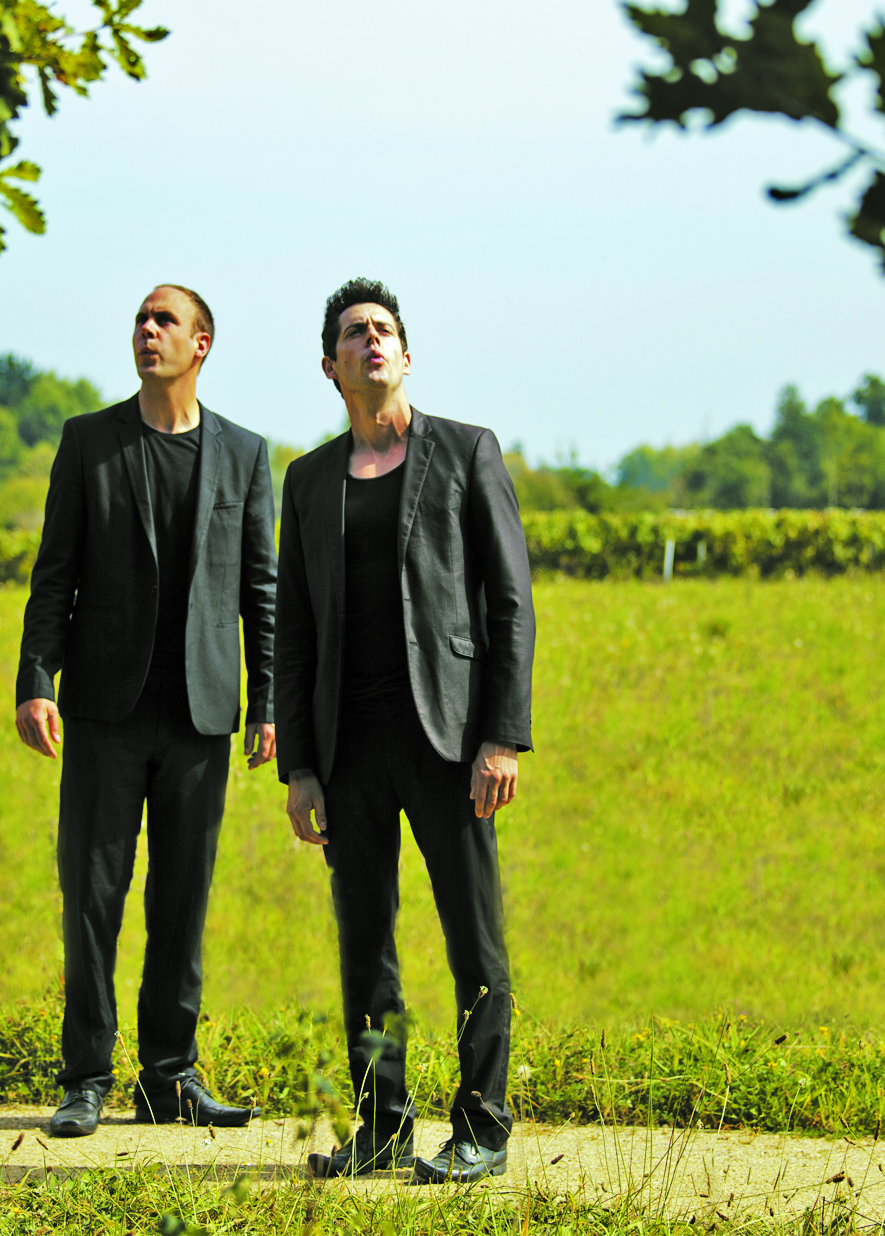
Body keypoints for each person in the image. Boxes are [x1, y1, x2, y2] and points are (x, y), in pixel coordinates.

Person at [274, 277, 535, 1183]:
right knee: (366, 946)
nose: (371, 340)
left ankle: (483, 1127)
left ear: (407, 355)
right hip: (347, 748)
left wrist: (502, 736)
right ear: (331, 366)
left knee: (474, 940)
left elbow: (510, 603)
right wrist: (299, 766)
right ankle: (382, 1126)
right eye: (354, 332)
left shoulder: (466, 452)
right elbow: (293, 631)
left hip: (450, 742)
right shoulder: (308, 481)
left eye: (383, 328)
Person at [15, 284, 277, 1138]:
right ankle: (86, 1077)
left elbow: (262, 591)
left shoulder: (245, 454)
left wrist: (269, 702)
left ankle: (169, 1078)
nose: (147, 331)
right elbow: (55, 574)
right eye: (140, 319)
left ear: (202, 344)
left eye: (165, 321)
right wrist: (36, 679)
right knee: (91, 896)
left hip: (201, 714)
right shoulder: (88, 442)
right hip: (103, 710)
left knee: (182, 900)